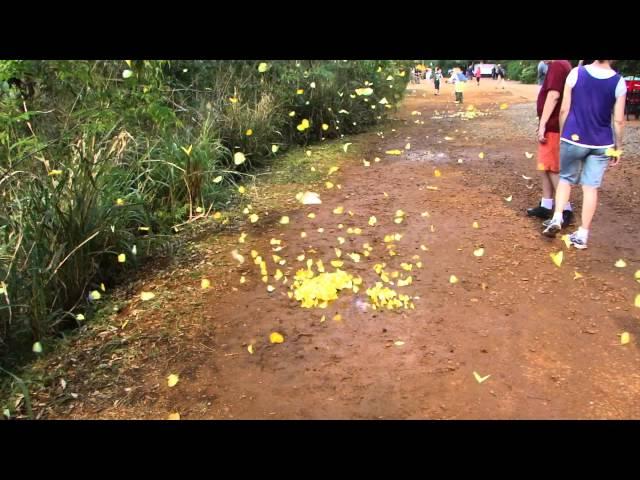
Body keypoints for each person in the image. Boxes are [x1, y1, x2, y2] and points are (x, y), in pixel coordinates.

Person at [542, 60, 627, 248]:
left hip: (573, 137)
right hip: (602, 143)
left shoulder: (575, 73)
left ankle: (556, 218)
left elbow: (564, 109)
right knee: (590, 188)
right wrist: (618, 147)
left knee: (565, 179)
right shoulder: (619, 82)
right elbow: (619, 120)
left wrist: (565, 134)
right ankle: (582, 235)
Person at [527, 60, 573, 224]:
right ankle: (546, 204)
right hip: (552, 125)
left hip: (553, 126)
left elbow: (553, 96)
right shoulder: (562, 64)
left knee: (553, 168)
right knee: (545, 166)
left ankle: (565, 209)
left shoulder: (558, 65)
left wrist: (543, 124)